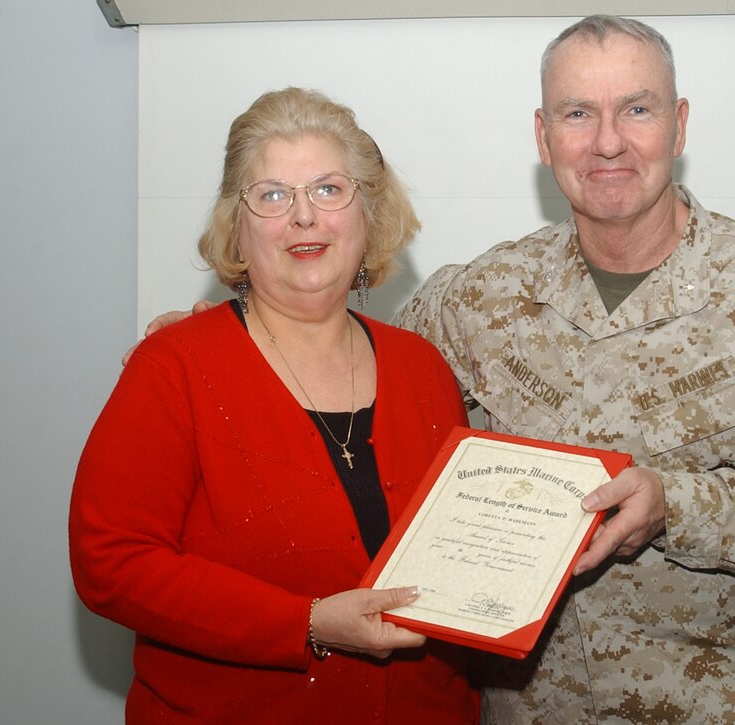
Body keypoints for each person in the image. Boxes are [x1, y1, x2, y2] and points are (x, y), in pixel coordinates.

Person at [138, 15, 735, 724]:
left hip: (726, 706)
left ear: (680, 123)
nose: (608, 142)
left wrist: (680, 504)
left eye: (636, 109)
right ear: (543, 135)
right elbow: (338, 364)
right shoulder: (478, 298)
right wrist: (228, 338)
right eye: (577, 114)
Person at [70, 87, 479, 723]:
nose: (304, 217)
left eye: (327, 189)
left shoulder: (422, 366)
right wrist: (306, 623)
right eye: (272, 196)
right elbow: (111, 563)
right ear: (237, 224)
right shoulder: (172, 366)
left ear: (368, 211)